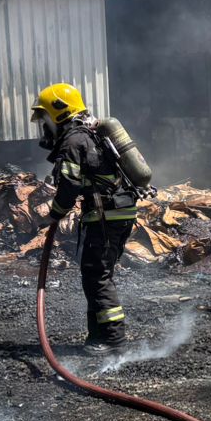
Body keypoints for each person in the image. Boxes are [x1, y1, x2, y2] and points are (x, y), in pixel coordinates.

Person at [32, 83, 141, 354]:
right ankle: (97, 337)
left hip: (107, 214)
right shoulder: (87, 135)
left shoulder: (73, 141)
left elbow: (68, 187)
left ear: (58, 112)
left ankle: (113, 340)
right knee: (95, 274)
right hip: (115, 212)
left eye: (44, 117)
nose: (43, 125)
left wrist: (54, 215)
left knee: (97, 276)